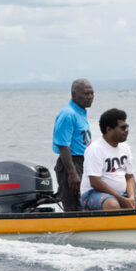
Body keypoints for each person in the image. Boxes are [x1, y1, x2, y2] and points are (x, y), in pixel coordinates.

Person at [79, 108, 136, 211]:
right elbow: (95, 182)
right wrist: (121, 200)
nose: (127, 130)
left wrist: (131, 198)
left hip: (121, 195)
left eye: (127, 126)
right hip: (92, 194)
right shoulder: (95, 149)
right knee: (112, 205)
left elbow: (129, 177)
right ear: (109, 130)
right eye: (123, 127)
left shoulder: (125, 148)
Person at [52, 78, 94, 211]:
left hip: (84, 162)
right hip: (70, 163)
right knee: (73, 207)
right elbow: (63, 145)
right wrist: (72, 173)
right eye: (86, 94)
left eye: (92, 93)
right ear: (74, 94)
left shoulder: (81, 112)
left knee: (85, 204)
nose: (90, 97)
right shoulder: (68, 114)